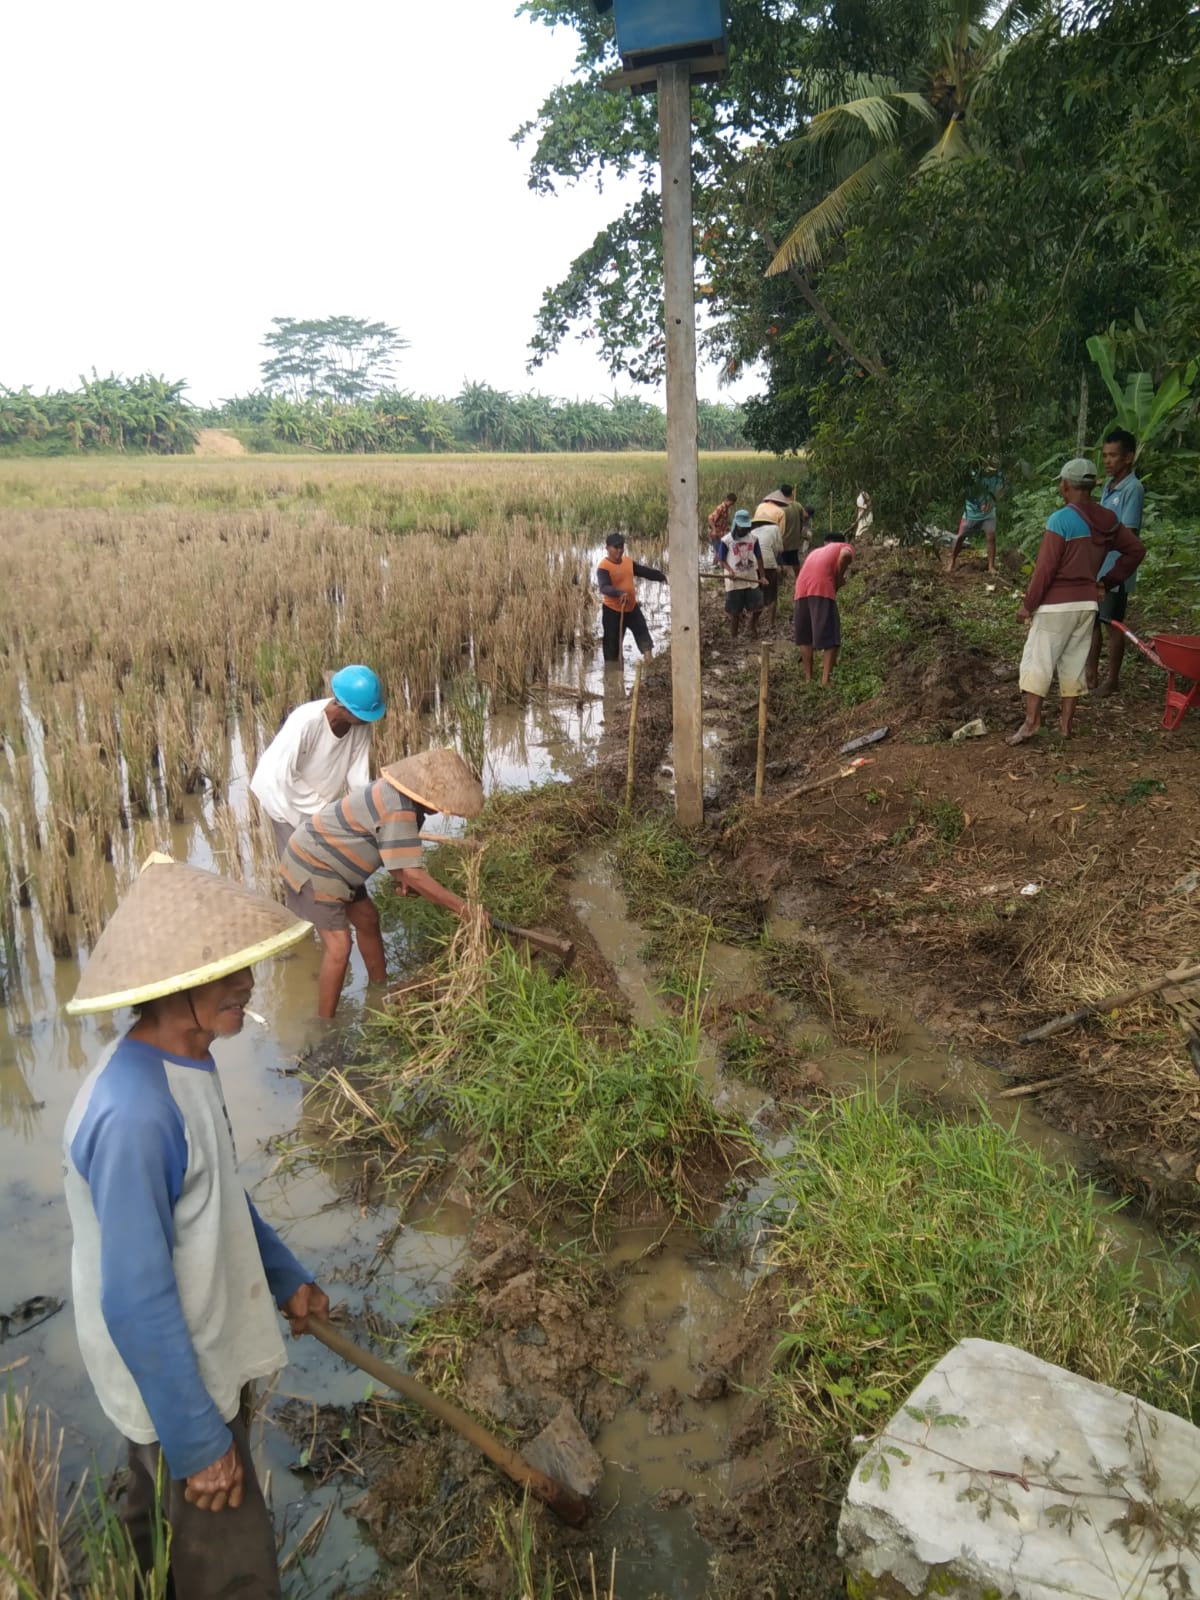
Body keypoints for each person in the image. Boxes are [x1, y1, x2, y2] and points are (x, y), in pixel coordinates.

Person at [62, 856, 329, 1600]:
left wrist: (285, 1278)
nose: (248, 983)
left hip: (184, 1355)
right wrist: (201, 1441)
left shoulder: (186, 1064)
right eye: (228, 972)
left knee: (154, 1530)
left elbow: (215, 1198)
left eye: (247, 967)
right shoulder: (135, 1115)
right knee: (231, 1558)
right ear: (173, 986)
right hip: (172, 1372)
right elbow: (135, 1301)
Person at [280, 748, 484, 1018]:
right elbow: (412, 873)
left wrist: (402, 879)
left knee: (367, 919)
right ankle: (325, 1025)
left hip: (337, 864)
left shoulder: (406, 804)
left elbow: (397, 858)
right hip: (315, 865)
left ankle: (378, 990)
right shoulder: (397, 807)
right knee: (339, 947)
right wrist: (465, 909)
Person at [1007, 458, 1145, 746]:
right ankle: (1066, 726)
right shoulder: (1109, 520)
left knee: (1038, 661)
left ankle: (1032, 723)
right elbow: (1136, 550)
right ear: (1092, 486)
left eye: (1061, 483)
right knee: (1074, 662)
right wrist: (1106, 581)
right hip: (1087, 605)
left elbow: (1045, 570)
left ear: (1066, 485)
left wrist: (1027, 605)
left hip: (1057, 605)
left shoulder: (1061, 520)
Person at [1087, 428, 1145, 697]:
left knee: (1113, 623)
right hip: (1098, 565)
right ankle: (1091, 674)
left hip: (1117, 568)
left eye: (1114, 456)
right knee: (1093, 620)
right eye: (1105, 455)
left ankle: (1112, 679)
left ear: (1129, 457)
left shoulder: (1132, 488)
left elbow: (1129, 535)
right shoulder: (1108, 487)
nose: (1108, 461)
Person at [793, 533, 854, 685]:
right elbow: (846, 555)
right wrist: (839, 578)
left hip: (801, 590)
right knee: (831, 637)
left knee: (805, 637)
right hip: (821, 588)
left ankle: (808, 679)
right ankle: (825, 681)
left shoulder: (815, 552)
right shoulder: (844, 546)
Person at [596, 533, 667, 662]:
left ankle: (649, 662)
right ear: (607, 548)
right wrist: (619, 593)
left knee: (643, 633)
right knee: (612, 647)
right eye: (615, 547)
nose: (619, 550)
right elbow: (604, 587)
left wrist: (661, 576)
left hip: (631, 607)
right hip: (612, 611)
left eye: (621, 547)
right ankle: (613, 674)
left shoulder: (627, 562)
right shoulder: (603, 567)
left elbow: (643, 571)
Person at [716, 508, 767, 640]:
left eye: (745, 527)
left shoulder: (753, 539)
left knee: (758, 607)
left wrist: (762, 576)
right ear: (735, 524)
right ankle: (734, 637)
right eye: (741, 526)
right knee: (735, 612)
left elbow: (759, 558)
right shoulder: (726, 541)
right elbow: (721, 560)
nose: (743, 529)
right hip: (734, 582)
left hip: (751, 579)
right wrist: (730, 571)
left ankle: (751, 626)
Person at [948, 469, 1003, 574]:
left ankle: (991, 566)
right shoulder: (973, 475)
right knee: (960, 537)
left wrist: (993, 500)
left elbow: (1000, 489)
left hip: (988, 513)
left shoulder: (998, 475)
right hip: (971, 513)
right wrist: (979, 504)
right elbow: (968, 493)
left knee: (991, 537)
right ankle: (952, 561)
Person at [750, 502, 784, 630]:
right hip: (769, 564)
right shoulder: (775, 529)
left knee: (758, 595)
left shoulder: (752, 531)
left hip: (754, 566)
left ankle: (753, 623)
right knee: (772, 595)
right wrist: (777, 562)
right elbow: (779, 548)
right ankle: (771, 624)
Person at [707, 492, 737, 560]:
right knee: (719, 553)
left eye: (732, 504)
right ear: (727, 500)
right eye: (731, 503)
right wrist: (714, 530)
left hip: (721, 534)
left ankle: (717, 566)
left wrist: (728, 530)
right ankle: (721, 567)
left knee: (719, 553)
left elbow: (722, 522)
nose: (731, 505)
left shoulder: (726, 509)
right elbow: (710, 518)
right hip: (716, 534)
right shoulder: (720, 508)